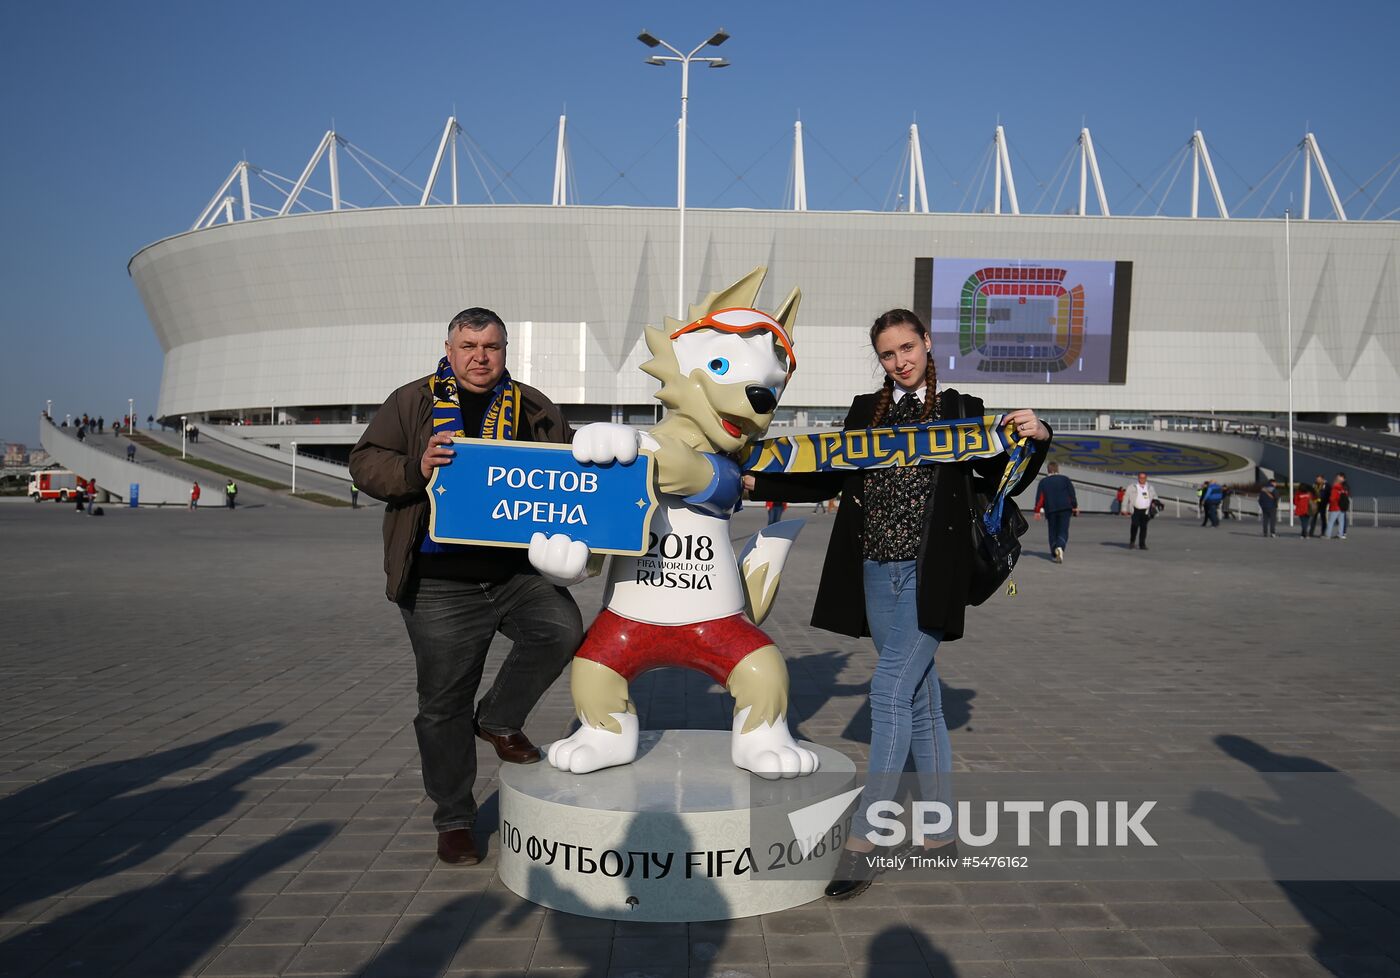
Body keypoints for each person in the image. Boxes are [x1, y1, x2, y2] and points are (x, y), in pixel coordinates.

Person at [746, 308, 1050, 900]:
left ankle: (865, 840)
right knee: (922, 702)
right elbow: (830, 476)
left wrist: (1037, 439)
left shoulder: (961, 410)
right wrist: (759, 482)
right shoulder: (867, 412)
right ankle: (939, 834)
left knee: (887, 694)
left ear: (927, 343)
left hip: (931, 574)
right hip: (875, 573)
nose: (900, 361)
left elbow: (1002, 473)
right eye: (888, 354)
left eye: (908, 348)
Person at [349, 306, 584, 868]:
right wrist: (414, 467)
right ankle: (454, 817)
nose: (481, 357)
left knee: (562, 629)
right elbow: (363, 462)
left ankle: (499, 719)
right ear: (450, 349)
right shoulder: (414, 400)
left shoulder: (532, 405)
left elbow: (572, 466)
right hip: (438, 584)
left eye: (492, 346)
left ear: (506, 351)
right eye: (469, 346)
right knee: (442, 704)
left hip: (514, 573)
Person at [1033, 461, 1078, 563]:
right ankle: (1060, 546)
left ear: (1048, 470)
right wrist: (1074, 506)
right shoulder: (1065, 479)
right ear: (1058, 469)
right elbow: (1071, 494)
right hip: (1065, 508)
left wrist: (1037, 511)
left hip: (1051, 509)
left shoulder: (1043, 482)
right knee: (1063, 530)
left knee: (1052, 531)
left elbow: (1040, 498)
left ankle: (1054, 551)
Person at [1129, 472, 1158, 549]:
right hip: (1135, 509)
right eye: (1140, 478)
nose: (1142, 479)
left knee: (1143, 527)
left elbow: (1155, 497)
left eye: (1143, 478)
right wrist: (1124, 508)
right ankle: (1132, 542)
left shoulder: (1150, 487)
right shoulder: (1133, 486)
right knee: (1134, 525)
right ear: (1138, 478)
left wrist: (1154, 502)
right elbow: (1126, 497)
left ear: (1146, 478)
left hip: (1145, 511)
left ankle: (1142, 544)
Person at [1325, 473, 1350, 539]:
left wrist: (1330, 501)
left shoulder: (1335, 488)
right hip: (1342, 507)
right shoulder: (1343, 489)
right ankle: (1340, 534)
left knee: (1331, 522)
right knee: (1341, 522)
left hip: (1335, 507)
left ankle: (1328, 535)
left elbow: (1332, 498)